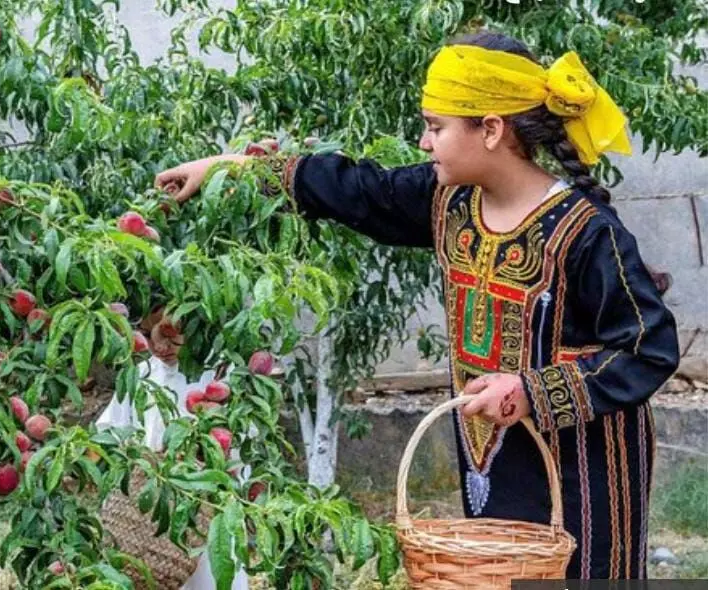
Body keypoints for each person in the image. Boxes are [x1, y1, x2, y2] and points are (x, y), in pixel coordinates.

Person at [153, 31, 679, 580]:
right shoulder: (450, 202)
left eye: (436, 127)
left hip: (585, 471)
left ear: (492, 130)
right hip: (494, 455)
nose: (425, 143)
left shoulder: (585, 233)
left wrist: (529, 391)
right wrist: (228, 168)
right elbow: (359, 189)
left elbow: (648, 347)